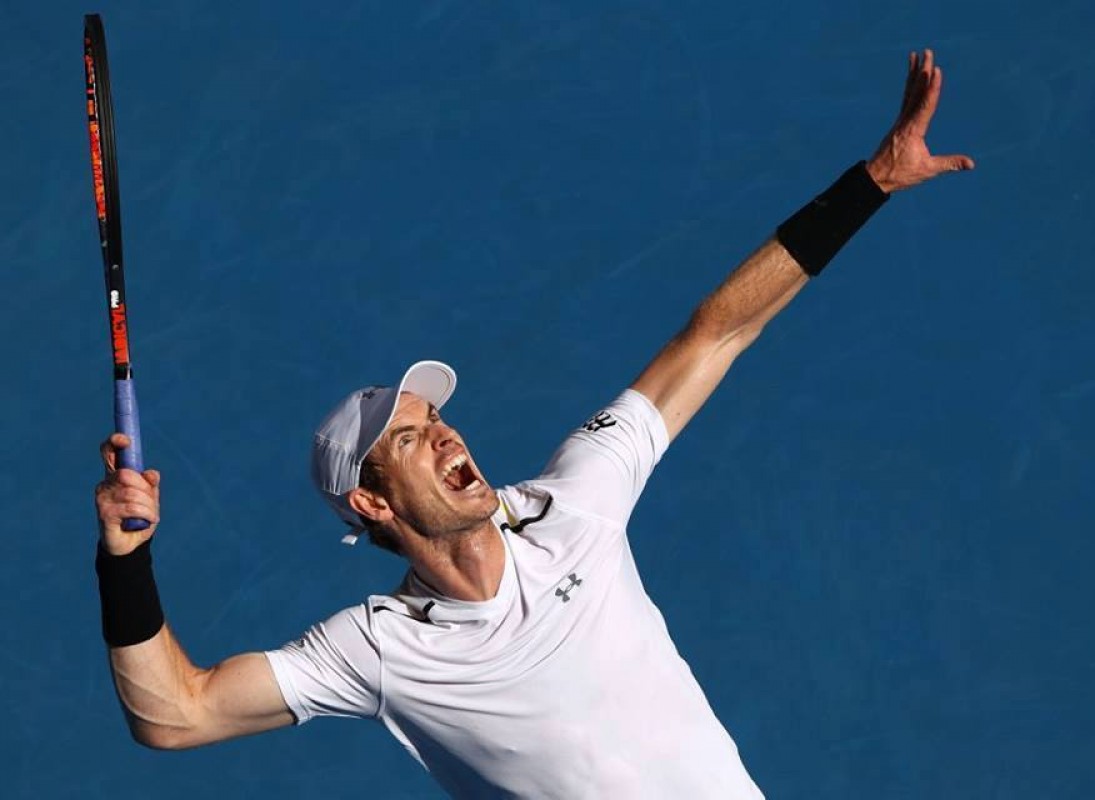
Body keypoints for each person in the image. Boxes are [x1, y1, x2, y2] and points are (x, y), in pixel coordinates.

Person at [94, 50, 972, 798]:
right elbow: (177, 715)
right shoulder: (379, 647)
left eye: (438, 419)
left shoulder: (576, 502)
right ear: (372, 504)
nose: (448, 437)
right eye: (409, 440)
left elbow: (716, 333)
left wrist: (871, 185)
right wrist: (124, 561)